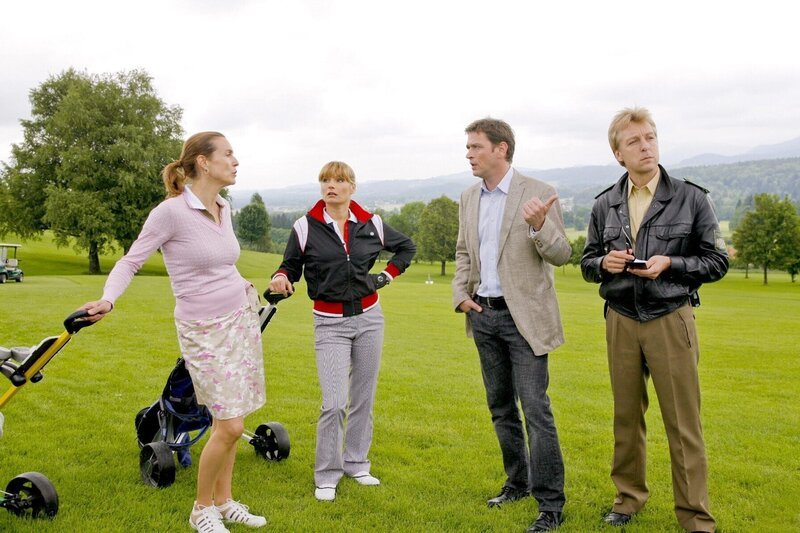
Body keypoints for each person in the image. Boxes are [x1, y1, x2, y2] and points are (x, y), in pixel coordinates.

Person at [79, 132, 267, 533]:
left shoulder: (224, 207)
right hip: (202, 329)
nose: (236, 161)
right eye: (229, 154)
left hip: (238, 319)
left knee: (228, 420)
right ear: (202, 162)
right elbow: (130, 262)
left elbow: (222, 264)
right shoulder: (170, 212)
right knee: (231, 425)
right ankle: (201, 509)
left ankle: (225, 501)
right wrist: (108, 299)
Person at [581, 107, 728, 532]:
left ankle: (695, 517)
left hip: (670, 317)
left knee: (683, 423)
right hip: (621, 318)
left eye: (650, 137)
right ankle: (627, 501)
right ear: (618, 154)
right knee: (626, 417)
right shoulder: (605, 204)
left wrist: (671, 263)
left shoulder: (691, 197)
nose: (645, 146)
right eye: (634, 141)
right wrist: (604, 262)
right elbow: (587, 262)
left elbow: (717, 262)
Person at [268, 161, 415, 502]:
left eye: (339, 180)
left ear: (352, 187)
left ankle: (357, 464)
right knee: (334, 403)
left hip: (369, 319)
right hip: (329, 323)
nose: (331, 185)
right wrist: (281, 277)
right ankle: (327, 474)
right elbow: (290, 266)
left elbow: (407, 247)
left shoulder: (371, 223)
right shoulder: (305, 226)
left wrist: (386, 275)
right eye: (325, 180)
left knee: (363, 397)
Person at [452, 118, 571, 533]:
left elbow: (561, 254)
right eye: (467, 148)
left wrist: (539, 225)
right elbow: (464, 251)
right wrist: (461, 296)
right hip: (483, 316)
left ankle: (551, 504)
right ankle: (517, 483)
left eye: (475, 147)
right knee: (500, 408)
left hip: (525, 321)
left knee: (536, 410)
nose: (469, 154)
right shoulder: (468, 197)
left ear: (501, 149)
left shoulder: (538, 193)